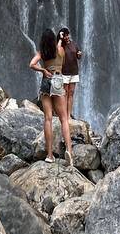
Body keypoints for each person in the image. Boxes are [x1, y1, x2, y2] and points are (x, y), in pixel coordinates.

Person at [29, 29, 75, 166]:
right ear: (54, 40)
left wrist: (43, 70)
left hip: (46, 82)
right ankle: (69, 152)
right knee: (64, 119)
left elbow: (31, 64)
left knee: (48, 118)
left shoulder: (42, 52)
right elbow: (61, 49)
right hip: (58, 81)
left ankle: (49, 155)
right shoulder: (60, 50)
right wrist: (60, 38)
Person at [57, 26, 84, 119]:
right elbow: (57, 51)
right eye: (65, 35)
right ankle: (64, 115)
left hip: (74, 72)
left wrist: (79, 55)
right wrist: (60, 38)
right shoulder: (61, 46)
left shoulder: (74, 44)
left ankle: (68, 115)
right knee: (65, 93)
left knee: (71, 93)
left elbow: (78, 55)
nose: (67, 37)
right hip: (64, 72)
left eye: (67, 35)